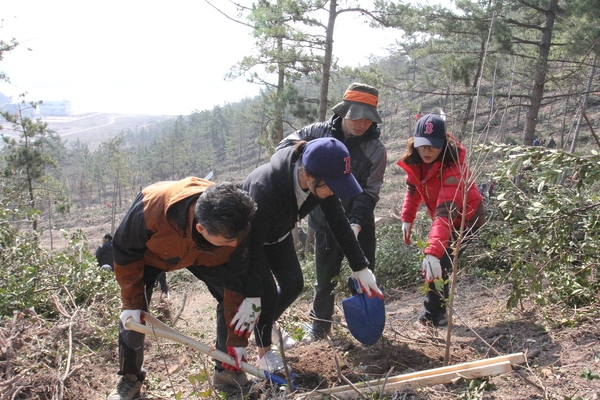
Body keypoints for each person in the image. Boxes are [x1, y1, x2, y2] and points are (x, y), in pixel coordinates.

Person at [107, 179, 259, 400]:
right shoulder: (152, 207)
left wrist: (237, 343)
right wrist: (130, 303)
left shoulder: (235, 223)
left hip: (207, 255)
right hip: (153, 256)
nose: (235, 245)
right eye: (229, 240)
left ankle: (227, 371)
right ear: (201, 228)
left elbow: (236, 284)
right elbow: (125, 251)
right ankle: (129, 377)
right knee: (133, 314)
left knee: (234, 297)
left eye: (237, 239)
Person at [241, 137, 384, 372]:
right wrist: (252, 292)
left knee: (293, 284)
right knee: (264, 292)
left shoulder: (320, 186)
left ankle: (265, 324)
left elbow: (339, 223)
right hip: (251, 240)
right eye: (332, 185)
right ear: (308, 176)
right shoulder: (265, 187)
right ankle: (264, 352)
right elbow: (253, 249)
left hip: (278, 234)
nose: (335, 191)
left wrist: (361, 268)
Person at [277, 82, 387, 341]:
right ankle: (320, 327)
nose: (362, 124)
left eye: (368, 119)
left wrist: (357, 223)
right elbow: (284, 148)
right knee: (324, 279)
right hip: (324, 218)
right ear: (345, 111)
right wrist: (307, 163)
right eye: (357, 116)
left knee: (363, 272)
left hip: (360, 221)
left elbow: (370, 191)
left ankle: (369, 329)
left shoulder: (376, 149)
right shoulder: (318, 132)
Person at [397, 114, 485, 327]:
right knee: (434, 261)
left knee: (438, 263)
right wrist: (407, 217)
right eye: (422, 146)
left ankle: (434, 314)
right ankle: (435, 313)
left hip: (466, 218)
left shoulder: (454, 167)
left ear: (443, 144)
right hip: (443, 216)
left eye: (432, 147)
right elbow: (413, 190)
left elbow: (446, 212)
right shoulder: (417, 161)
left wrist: (433, 252)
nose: (426, 151)